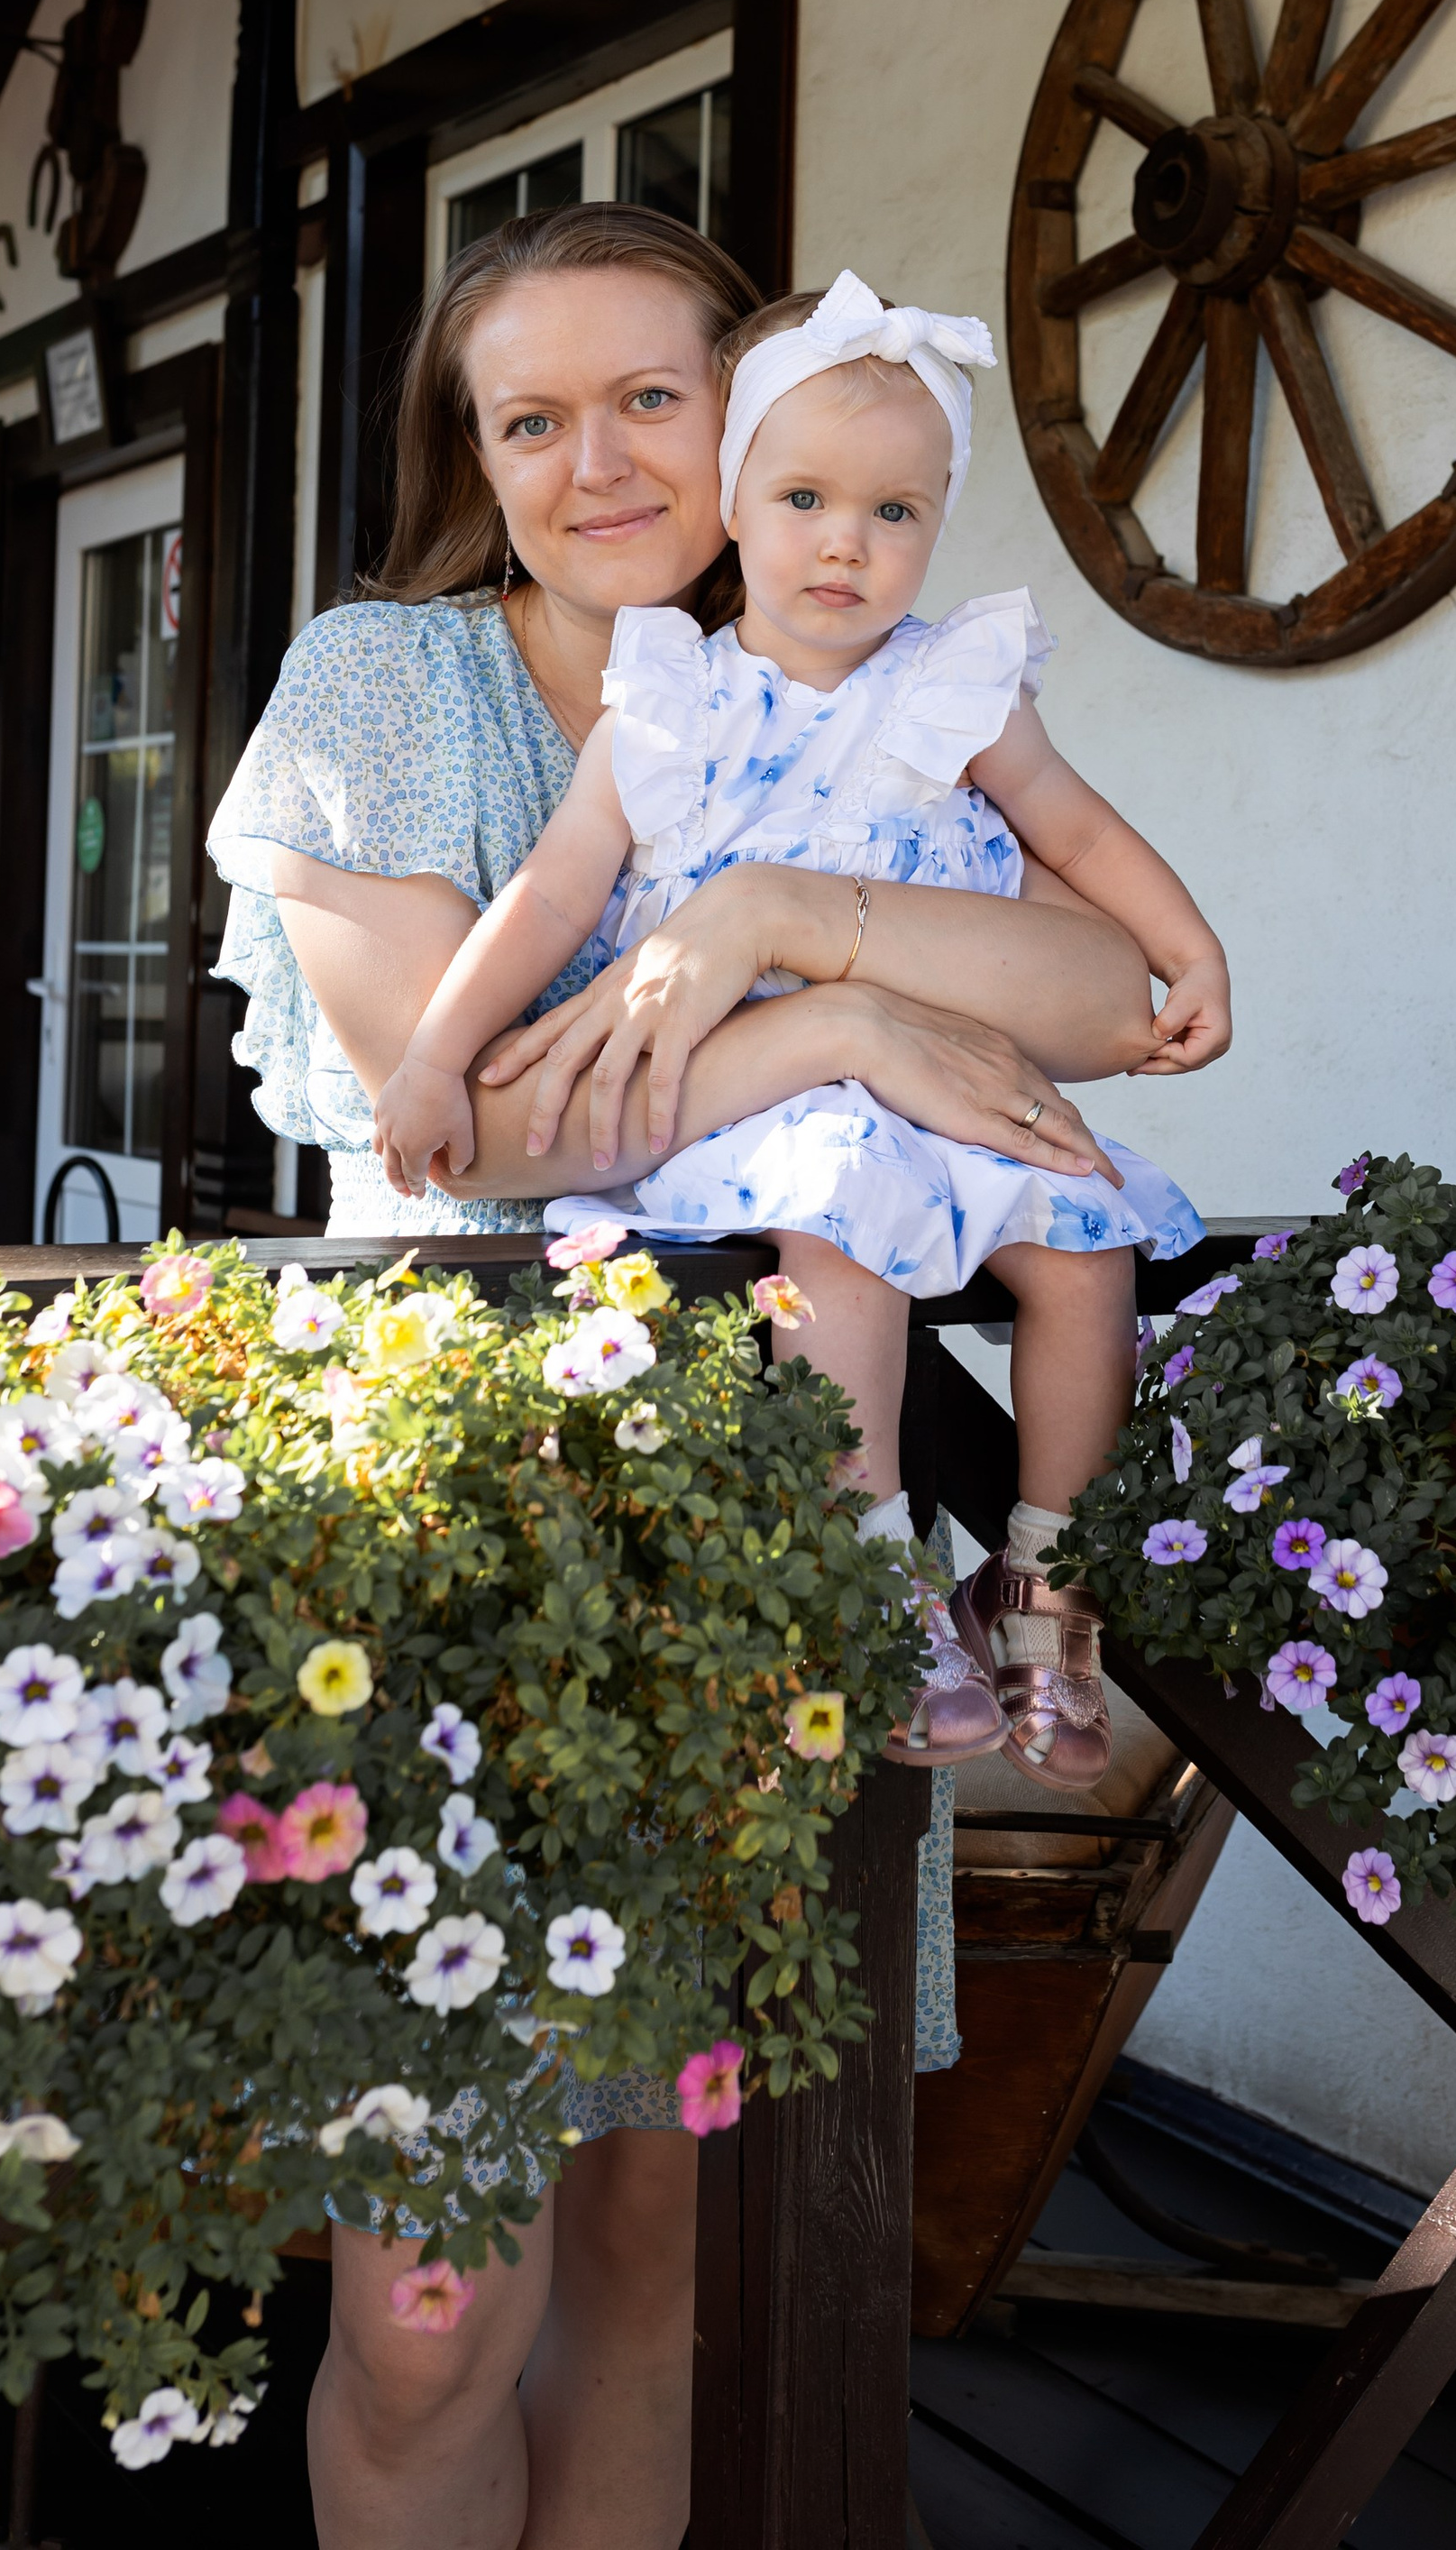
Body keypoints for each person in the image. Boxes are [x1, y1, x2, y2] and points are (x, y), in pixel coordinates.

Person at [205, 204, 1169, 2550]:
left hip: (780, 1558)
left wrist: (772, 919)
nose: (596, 457)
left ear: (746, 427)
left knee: (668, 2259)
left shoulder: (870, 663)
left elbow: (1108, 994)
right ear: (481, 456)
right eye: (529, 418)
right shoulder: (384, 687)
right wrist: (838, 1016)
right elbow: (498, 1115)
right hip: (461, 1554)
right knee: (433, 2287)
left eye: (652, 397)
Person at [373, 270, 1230, 1790]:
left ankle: (1044, 1574)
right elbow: (554, 896)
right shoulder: (676, 700)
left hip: (945, 1087)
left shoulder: (957, 690)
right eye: (809, 497)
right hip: (765, 1107)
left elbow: (1078, 832)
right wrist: (439, 1053)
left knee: (1092, 1236)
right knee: (843, 1230)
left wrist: (1185, 947)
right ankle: (875, 1569)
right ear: (739, 496)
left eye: (896, 513)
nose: (847, 541)